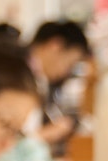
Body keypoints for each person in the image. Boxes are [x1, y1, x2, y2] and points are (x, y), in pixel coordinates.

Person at [26, 18, 94, 147]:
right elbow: (10, 145)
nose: (66, 72)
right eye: (69, 64)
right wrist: (48, 134)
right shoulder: (19, 78)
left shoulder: (40, 78)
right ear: (55, 45)